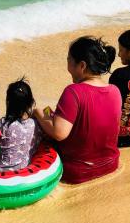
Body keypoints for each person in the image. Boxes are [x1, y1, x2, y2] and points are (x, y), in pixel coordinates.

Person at [34, 36, 121, 184]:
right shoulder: (115, 91)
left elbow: (59, 134)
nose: (67, 66)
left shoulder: (73, 91)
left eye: (69, 61)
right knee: (49, 115)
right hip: (111, 165)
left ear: (82, 65)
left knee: (37, 124)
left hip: (78, 171)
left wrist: (37, 112)